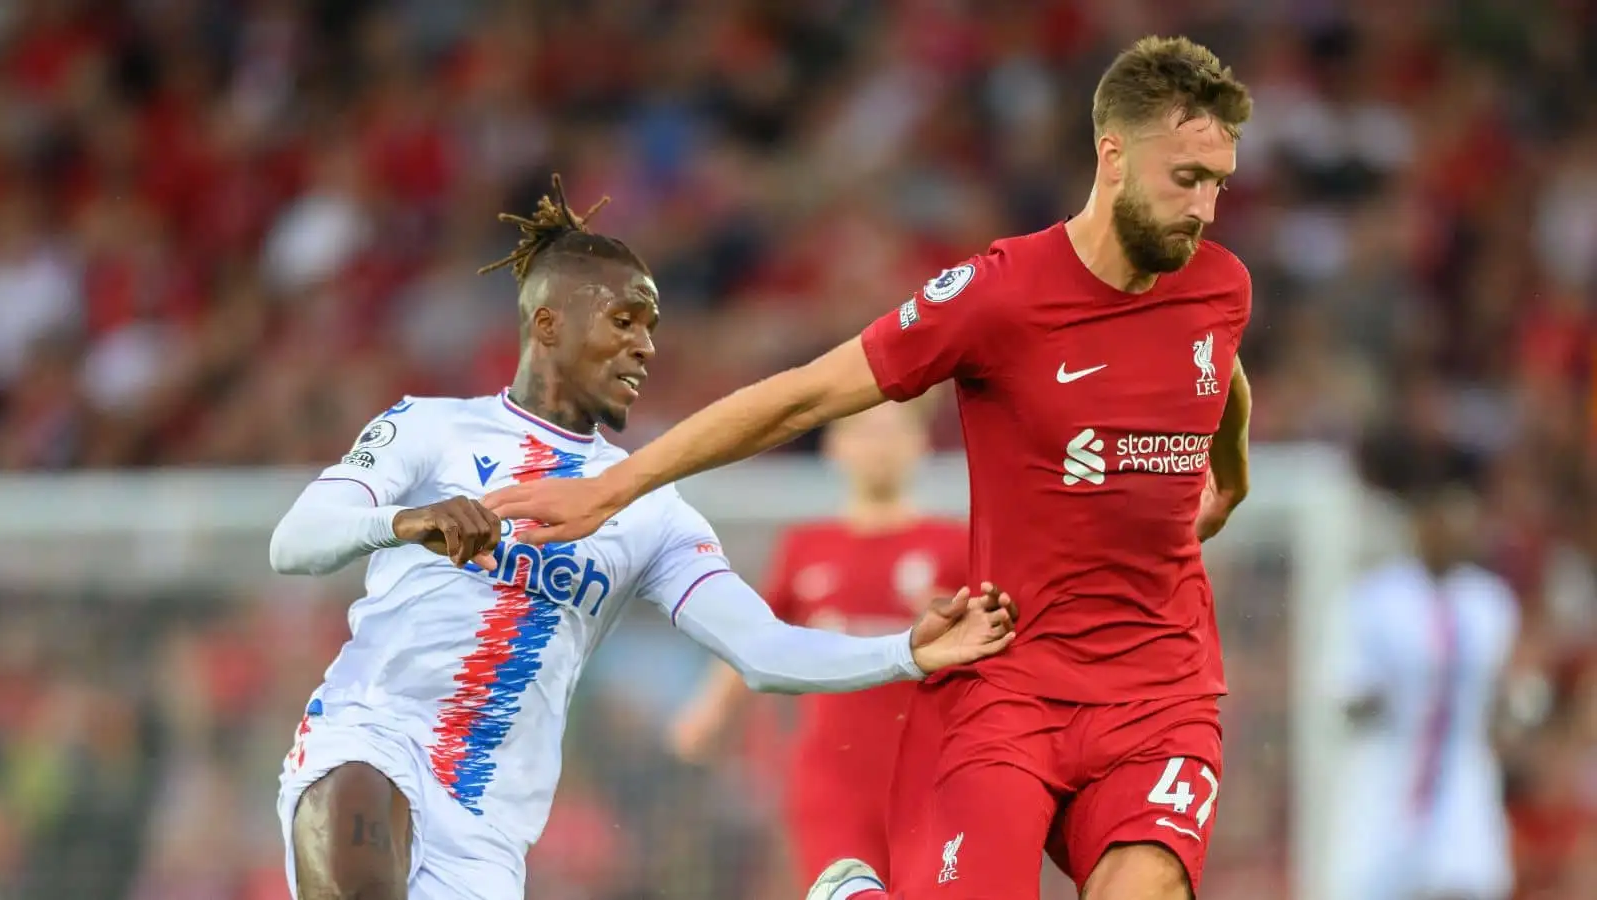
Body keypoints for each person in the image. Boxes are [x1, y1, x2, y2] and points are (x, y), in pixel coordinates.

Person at [482, 35, 1254, 900]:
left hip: (1163, 693)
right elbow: (805, 396)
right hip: (1010, 686)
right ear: (1113, 155)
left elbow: (1217, 368)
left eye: (1218, 182)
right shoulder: (1000, 293)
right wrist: (614, 485)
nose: (1205, 208)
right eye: (1185, 178)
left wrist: (1232, 475)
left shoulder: (1218, 285)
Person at [266, 177, 1018, 900]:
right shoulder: (428, 427)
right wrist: (405, 522)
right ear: (548, 323)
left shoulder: (653, 512)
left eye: (651, 329)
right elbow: (295, 542)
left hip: (486, 819)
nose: (645, 348)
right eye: (624, 321)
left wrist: (906, 653)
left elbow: (762, 651)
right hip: (368, 732)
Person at [668, 399, 967, 887]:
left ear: (921, 444)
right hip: (833, 778)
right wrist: (711, 711)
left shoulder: (955, 547)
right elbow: (760, 639)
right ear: (837, 447)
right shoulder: (806, 547)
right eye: (866, 432)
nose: (880, 447)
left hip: (932, 778)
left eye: (893, 433)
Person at [1332, 478, 1519, 900]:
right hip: (1392, 765)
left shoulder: (1490, 602)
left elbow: (1501, 694)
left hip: (1460, 763)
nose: (1451, 533)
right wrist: (1395, 695)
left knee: (1467, 879)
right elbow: (1348, 695)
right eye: (1440, 521)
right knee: (1373, 881)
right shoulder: (1376, 597)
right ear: (1419, 526)